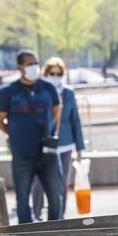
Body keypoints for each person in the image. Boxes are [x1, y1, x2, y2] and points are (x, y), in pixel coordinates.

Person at [0, 50, 62, 224]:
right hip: (22, 153)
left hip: (47, 151)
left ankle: (56, 232)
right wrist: (14, 133)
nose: (34, 67)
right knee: (23, 197)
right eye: (29, 64)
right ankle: (27, 234)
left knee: (55, 196)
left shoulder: (48, 88)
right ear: (20, 67)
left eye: (36, 63)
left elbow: (56, 110)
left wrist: (51, 131)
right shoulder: (8, 91)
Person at [31, 57, 84, 220]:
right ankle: (37, 215)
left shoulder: (69, 92)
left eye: (58, 73)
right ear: (45, 73)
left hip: (65, 145)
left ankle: (59, 216)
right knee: (39, 182)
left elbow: (75, 120)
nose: (55, 75)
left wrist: (80, 148)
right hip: (43, 144)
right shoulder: (39, 91)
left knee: (62, 184)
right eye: (52, 72)